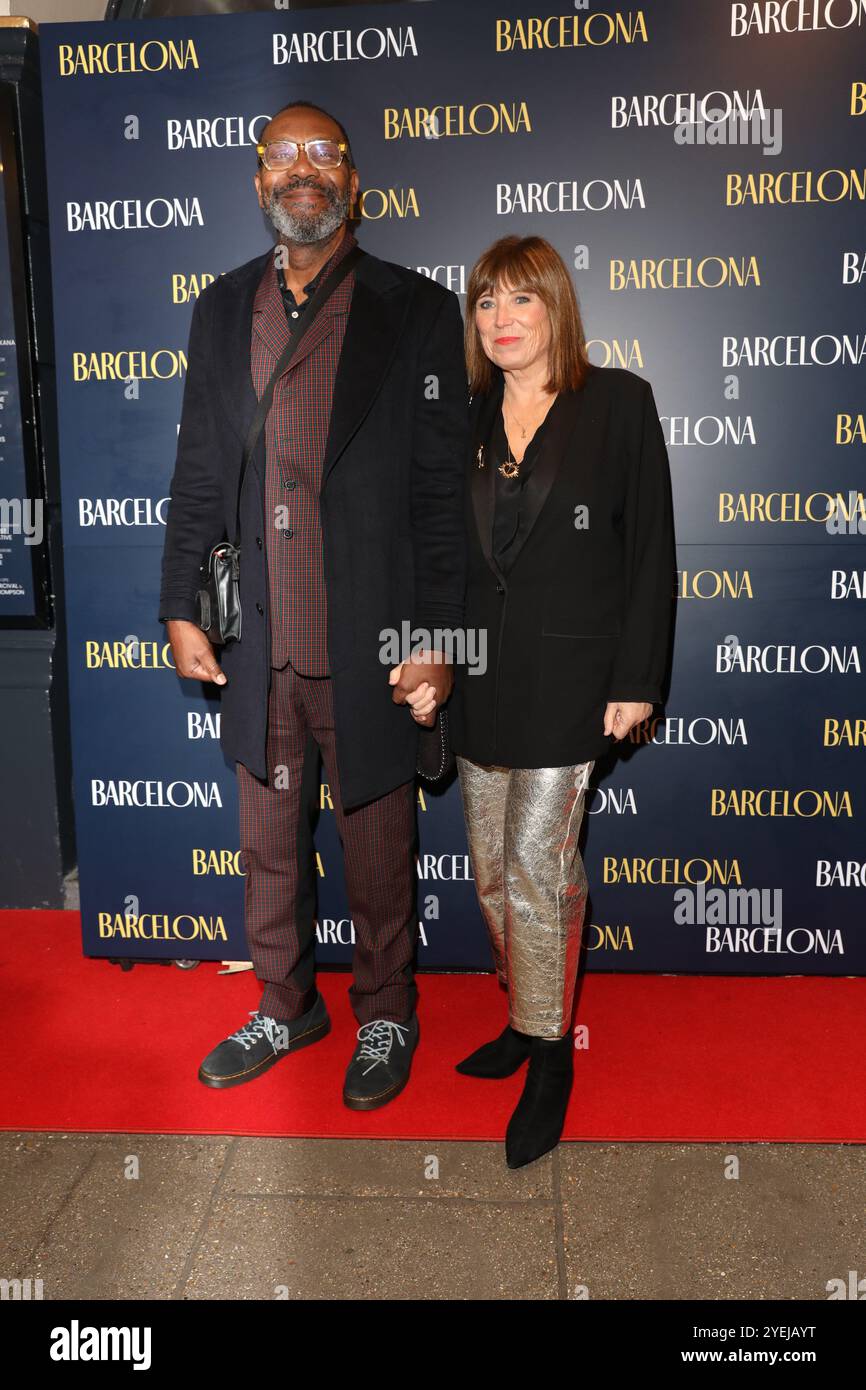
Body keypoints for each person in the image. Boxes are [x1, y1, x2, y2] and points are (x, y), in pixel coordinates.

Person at [158, 101, 468, 1110]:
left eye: (321, 154)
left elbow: (439, 498)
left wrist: (436, 643)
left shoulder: (415, 311)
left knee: (379, 848)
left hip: (371, 637)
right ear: (257, 182)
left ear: (351, 181)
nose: (302, 171)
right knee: (266, 844)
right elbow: (199, 473)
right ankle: (283, 1004)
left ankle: (384, 1012)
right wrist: (180, 605)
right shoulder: (218, 311)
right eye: (282, 156)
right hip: (260, 642)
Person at [446, 235, 675, 1168]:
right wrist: (426, 660)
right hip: (480, 683)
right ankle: (523, 1012)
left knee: (541, 872)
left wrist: (636, 680)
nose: (500, 319)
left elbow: (649, 553)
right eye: (485, 303)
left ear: (555, 309)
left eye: (519, 301)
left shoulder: (616, 403)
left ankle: (549, 1059)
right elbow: (446, 561)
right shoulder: (458, 418)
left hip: (575, 684)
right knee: (491, 873)